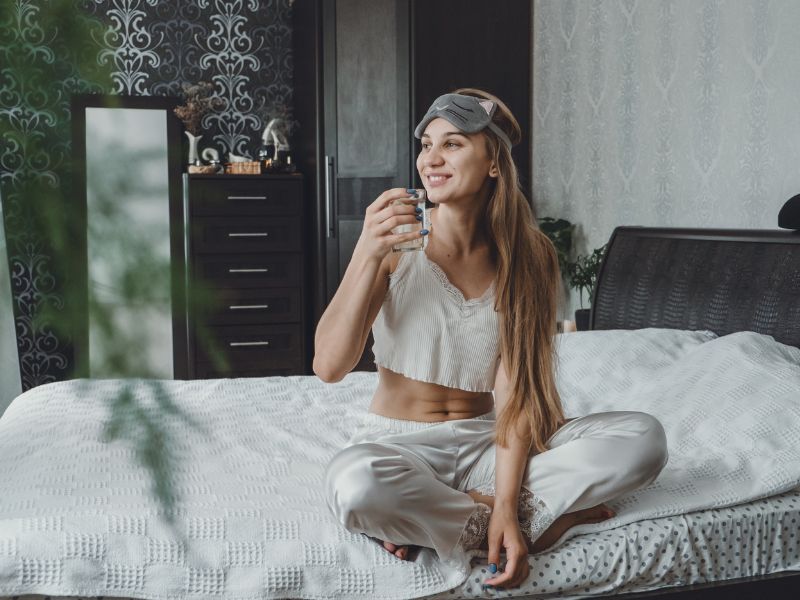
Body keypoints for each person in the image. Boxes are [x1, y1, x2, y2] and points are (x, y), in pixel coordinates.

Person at [314, 88, 668, 589]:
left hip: (489, 446)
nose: (430, 159)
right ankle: (535, 524)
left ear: (494, 163)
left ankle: (458, 521)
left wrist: (503, 503)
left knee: (643, 438)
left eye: (453, 144)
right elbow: (328, 365)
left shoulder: (531, 257)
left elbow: (516, 394)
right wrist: (366, 254)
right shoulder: (394, 242)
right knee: (354, 484)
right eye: (427, 145)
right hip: (401, 447)